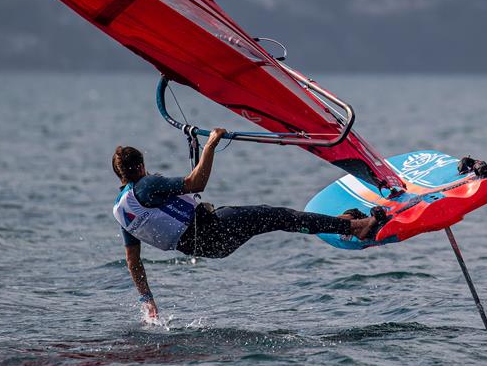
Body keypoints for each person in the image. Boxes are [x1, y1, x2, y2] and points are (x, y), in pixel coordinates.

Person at [111, 129, 384, 320]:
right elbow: (197, 183)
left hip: (208, 248)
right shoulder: (146, 185)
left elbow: (133, 261)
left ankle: (343, 223)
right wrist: (211, 145)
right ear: (141, 167)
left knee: (279, 220)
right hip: (215, 229)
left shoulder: (123, 210)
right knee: (280, 217)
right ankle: (355, 228)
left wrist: (146, 298)